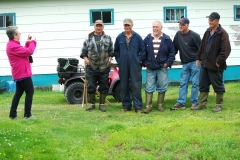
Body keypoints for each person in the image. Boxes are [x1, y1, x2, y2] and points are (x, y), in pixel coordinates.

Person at [191, 12, 231, 112]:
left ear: (217, 21)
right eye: (209, 20)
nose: (209, 22)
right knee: (203, 84)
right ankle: (202, 104)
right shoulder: (207, 31)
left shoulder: (222, 33)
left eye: (211, 20)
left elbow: (226, 50)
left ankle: (219, 105)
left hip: (215, 65)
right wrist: (198, 58)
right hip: (204, 63)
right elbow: (202, 46)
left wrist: (218, 62)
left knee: (217, 85)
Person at [80, 20, 114, 112]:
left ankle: (102, 105)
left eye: (100, 26)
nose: (98, 28)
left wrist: (109, 60)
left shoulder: (108, 38)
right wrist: (87, 61)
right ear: (94, 27)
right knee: (91, 85)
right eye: (97, 26)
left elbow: (111, 51)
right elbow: (83, 52)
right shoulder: (88, 38)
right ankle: (92, 104)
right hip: (91, 67)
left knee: (104, 86)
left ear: (103, 27)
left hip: (104, 66)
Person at [142, 21, 175, 113]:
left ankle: (160, 105)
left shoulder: (167, 39)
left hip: (162, 67)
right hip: (150, 67)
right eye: (153, 27)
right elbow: (142, 51)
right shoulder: (147, 38)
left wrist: (167, 63)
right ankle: (148, 106)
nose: (155, 28)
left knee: (162, 86)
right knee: (149, 86)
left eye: (156, 27)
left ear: (161, 28)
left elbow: (172, 53)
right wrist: (145, 62)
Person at [114, 18, 146, 113]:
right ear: (123, 26)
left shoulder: (137, 37)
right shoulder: (119, 37)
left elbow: (143, 51)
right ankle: (126, 106)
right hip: (123, 65)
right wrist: (119, 60)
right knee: (124, 85)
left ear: (132, 25)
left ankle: (138, 107)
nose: (127, 27)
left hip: (134, 65)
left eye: (128, 25)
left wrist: (138, 60)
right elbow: (116, 51)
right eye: (125, 25)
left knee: (136, 85)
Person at [6, 26, 37, 119]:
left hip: (19, 73)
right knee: (30, 91)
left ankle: (12, 115)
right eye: (19, 33)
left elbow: (24, 52)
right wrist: (33, 42)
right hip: (22, 73)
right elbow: (29, 51)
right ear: (15, 35)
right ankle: (27, 115)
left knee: (18, 93)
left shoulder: (13, 44)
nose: (20, 34)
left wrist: (27, 43)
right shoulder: (13, 46)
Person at [170, 18, 201, 110]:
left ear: (187, 25)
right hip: (185, 63)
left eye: (182, 24)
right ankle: (181, 102)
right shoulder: (178, 35)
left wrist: (199, 59)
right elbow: (174, 48)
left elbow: (201, 49)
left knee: (195, 83)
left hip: (195, 63)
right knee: (183, 83)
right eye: (179, 24)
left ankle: (194, 103)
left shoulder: (194, 36)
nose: (180, 26)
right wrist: (170, 59)